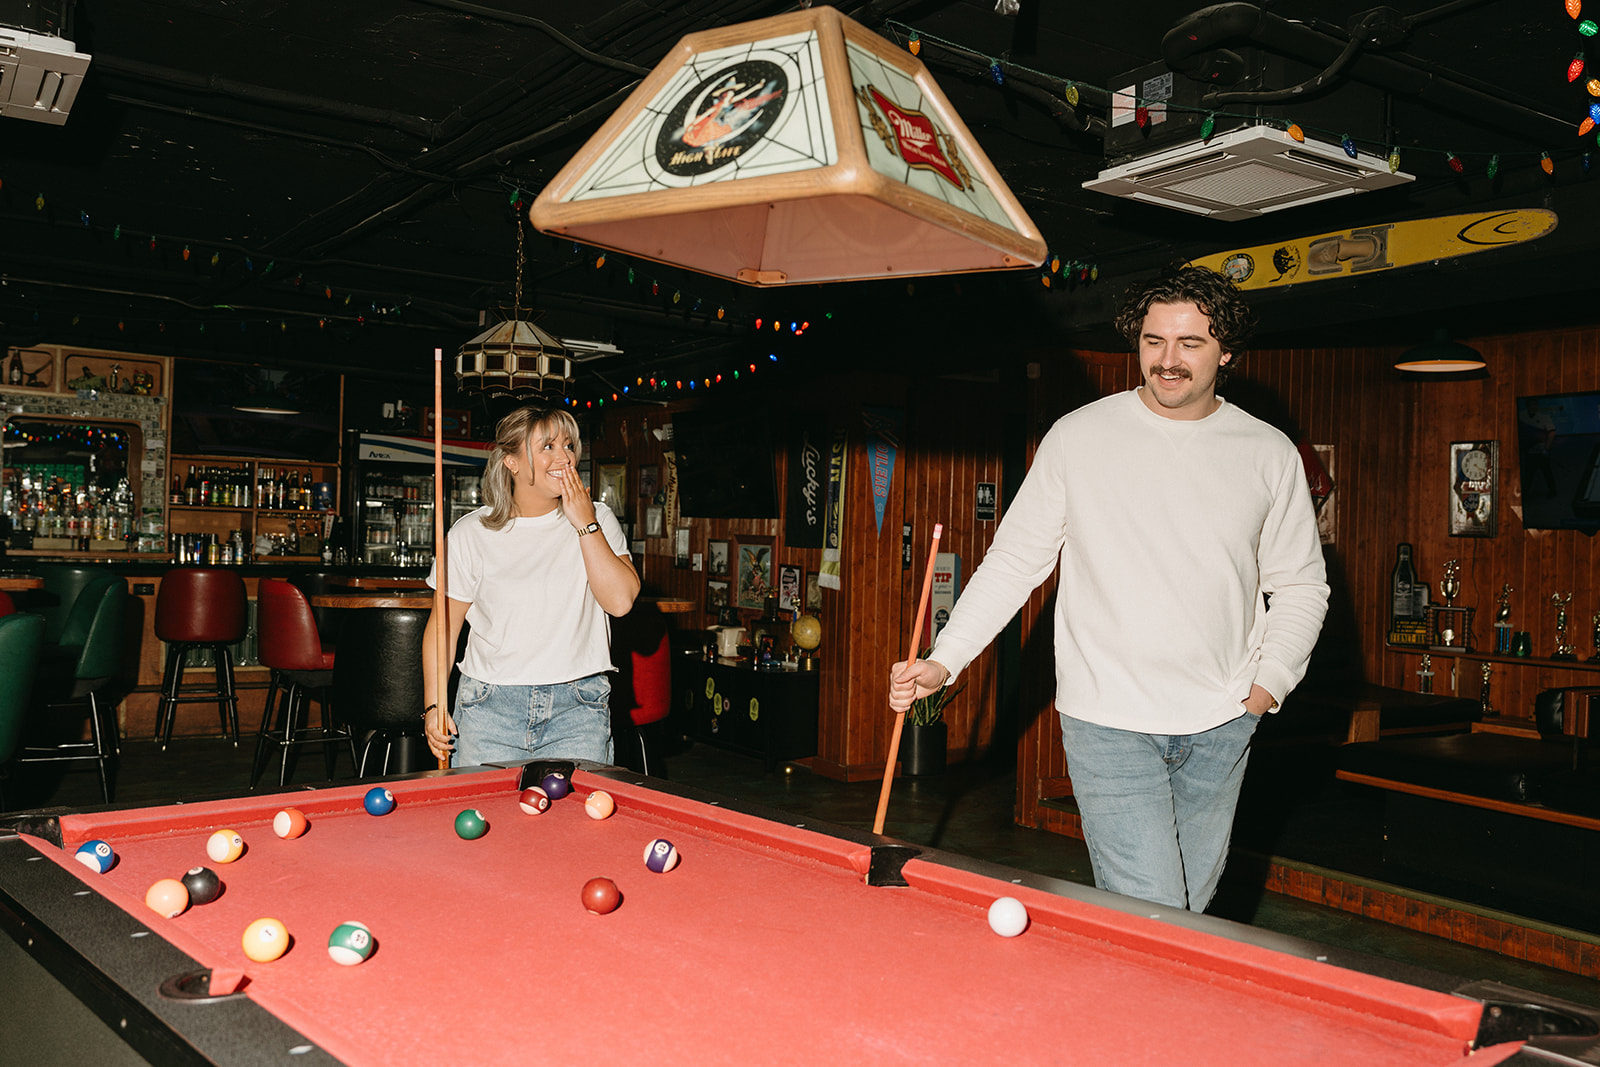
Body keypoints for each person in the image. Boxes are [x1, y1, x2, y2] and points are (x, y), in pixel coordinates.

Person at [889, 266, 1329, 912]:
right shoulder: (1079, 437)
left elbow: (1301, 585)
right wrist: (944, 658)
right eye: (1154, 342)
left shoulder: (1268, 453)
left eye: (1190, 343)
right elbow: (1014, 561)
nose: (1167, 361)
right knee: (1153, 912)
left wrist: (1267, 685)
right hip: (1109, 721)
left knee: (1191, 911)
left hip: (1223, 719)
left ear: (1227, 350)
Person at [423, 405, 640, 766]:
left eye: (569, 445)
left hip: (579, 706)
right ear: (511, 461)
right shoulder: (469, 533)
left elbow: (620, 602)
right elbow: (442, 628)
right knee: (485, 818)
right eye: (548, 447)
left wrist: (585, 524)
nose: (565, 457)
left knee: (577, 822)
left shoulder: (597, 518)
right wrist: (433, 705)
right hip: (487, 707)